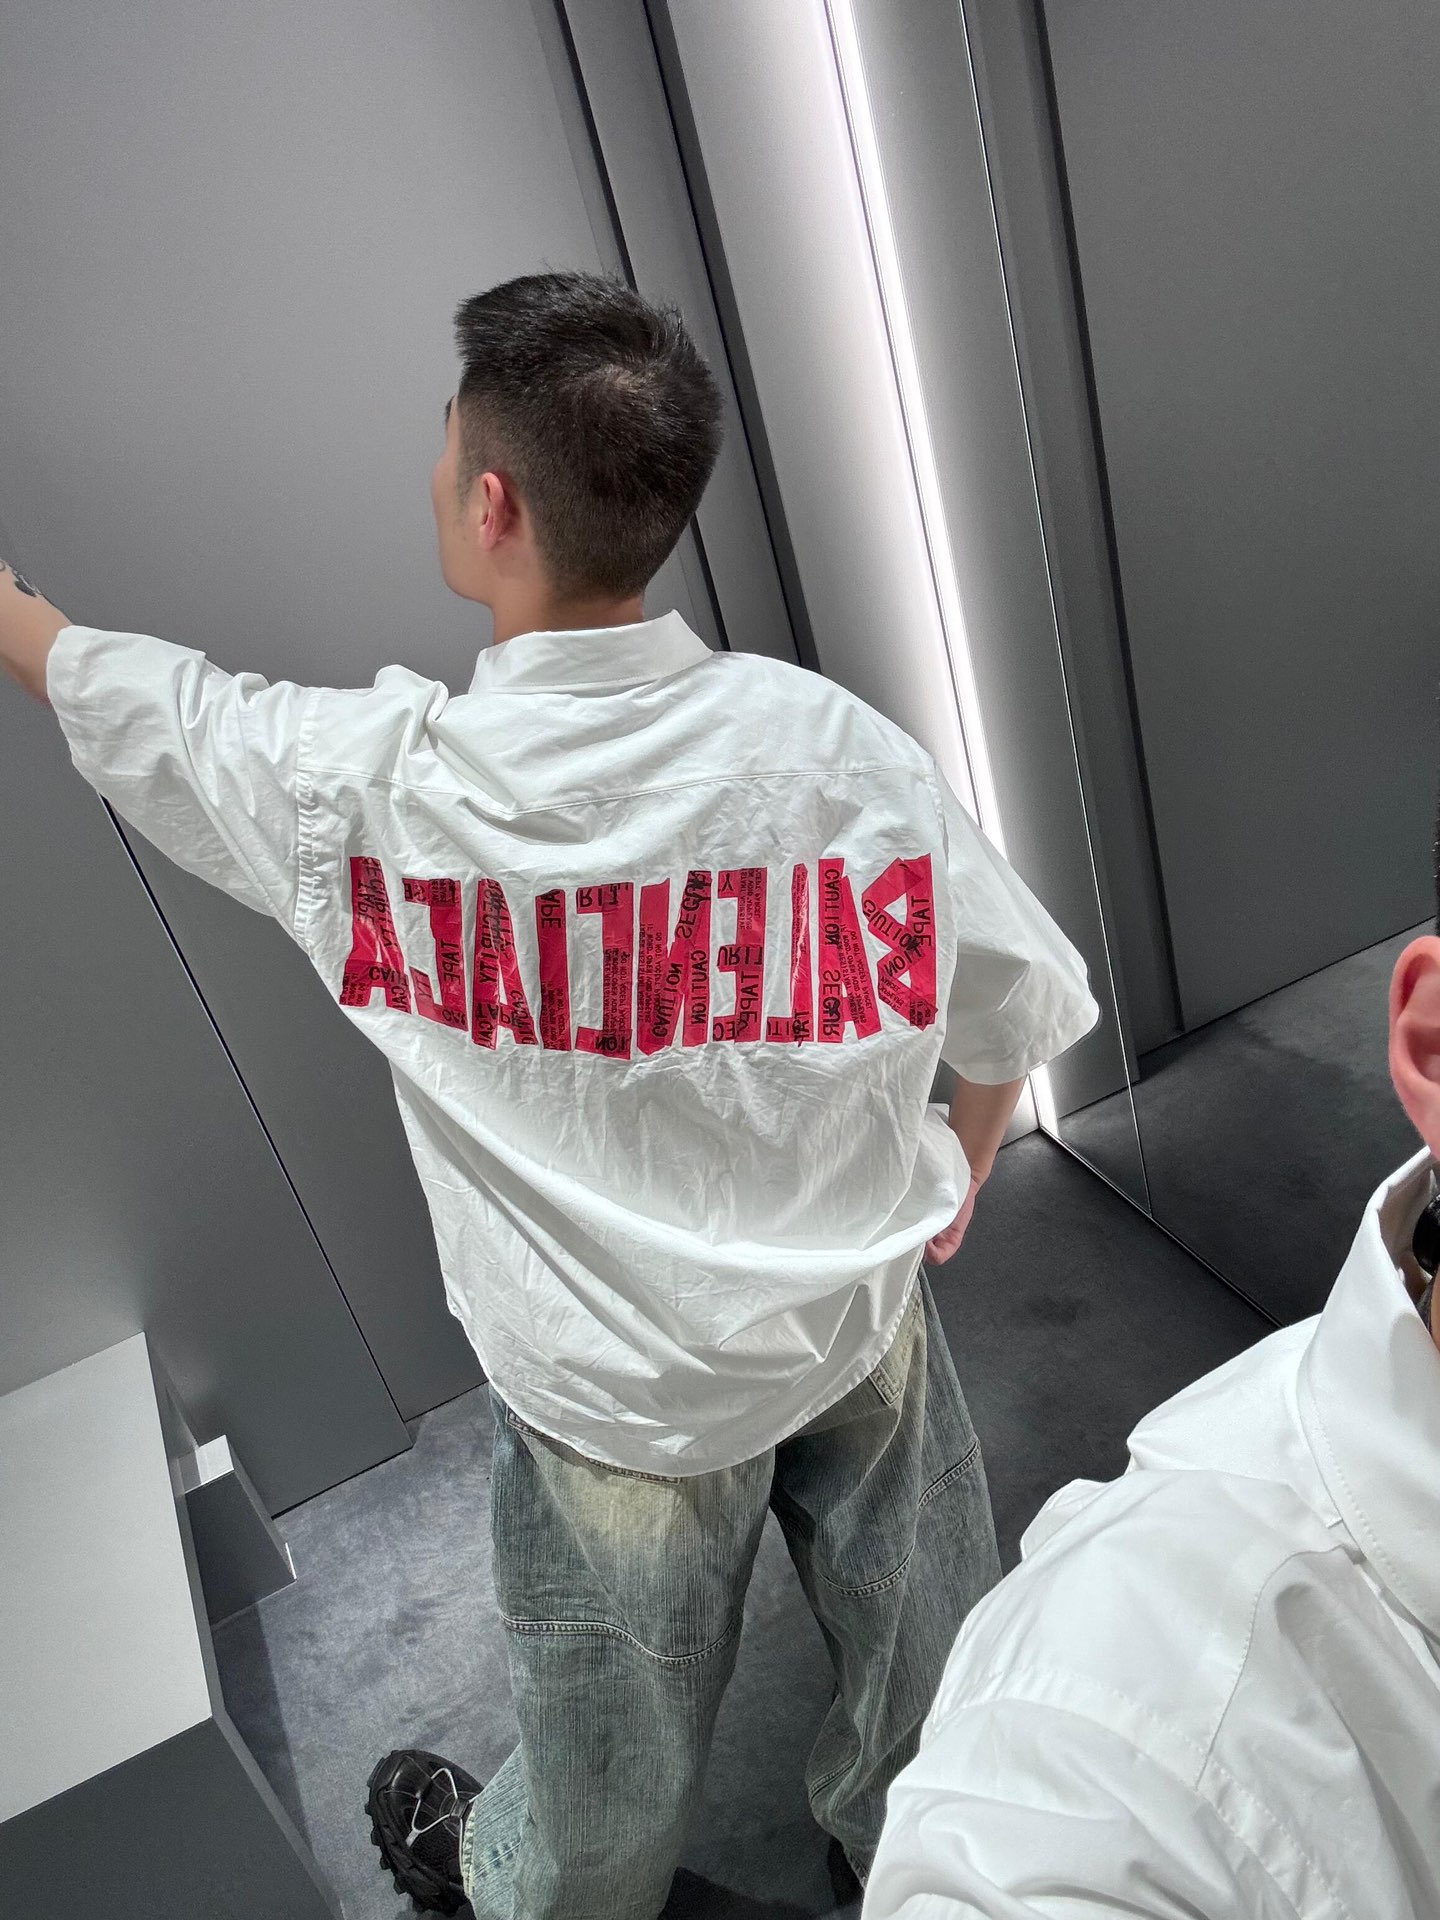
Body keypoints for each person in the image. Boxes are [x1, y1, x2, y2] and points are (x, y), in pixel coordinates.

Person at [0, 271, 1098, 1919]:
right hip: (850, 1315)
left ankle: (533, 1892)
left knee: (607, 1741)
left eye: (447, 445)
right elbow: (1017, 1001)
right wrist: (966, 1160)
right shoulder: (837, 751)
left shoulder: (374, 793)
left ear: (494, 502)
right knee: (923, 1636)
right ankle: (911, 1851)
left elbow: (148, 705)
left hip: (613, 1405)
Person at [864, 792, 1440, 1917]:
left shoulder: (470, 794)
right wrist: (964, 1170)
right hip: (831, 1319)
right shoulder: (1142, 1707)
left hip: (634, 1364)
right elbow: (1061, 1816)